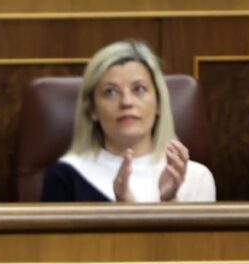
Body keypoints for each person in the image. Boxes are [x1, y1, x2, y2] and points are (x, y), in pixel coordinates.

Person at [41, 40, 215, 202]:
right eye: (110, 92)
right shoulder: (66, 176)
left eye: (138, 89)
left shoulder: (195, 177)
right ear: (92, 109)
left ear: (159, 104)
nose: (126, 102)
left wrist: (168, 204)